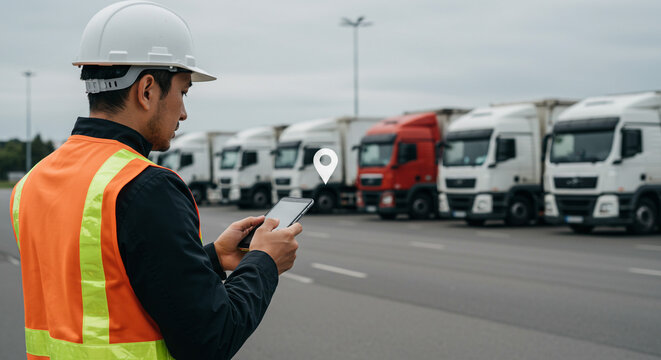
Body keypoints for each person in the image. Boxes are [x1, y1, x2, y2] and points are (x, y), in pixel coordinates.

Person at [9, 1, 300, 359]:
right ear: (147, 90)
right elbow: (210, 340)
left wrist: (211, 258)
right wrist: (264, 261)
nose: (184, 112)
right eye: (183, 91)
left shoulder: (33, 182)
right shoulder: (145, 186)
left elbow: (104, 286)